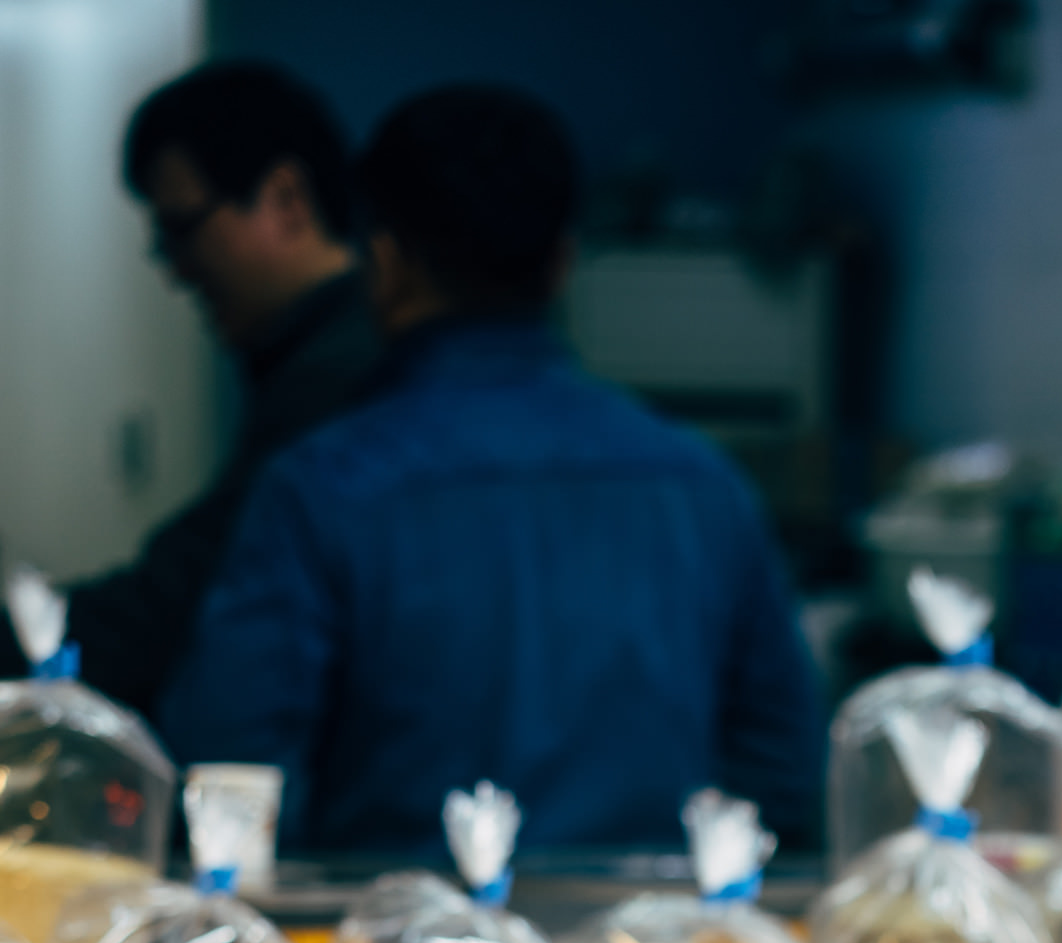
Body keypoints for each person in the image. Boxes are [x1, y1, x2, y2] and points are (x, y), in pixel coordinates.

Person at [161, 84, 824, 856]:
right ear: (564, 264)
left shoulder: (322, 492)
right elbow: (782, 779)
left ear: (385, 262)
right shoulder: (704, 487)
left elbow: (233, 791)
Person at [20, 64, 384, 718]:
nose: (171, 266)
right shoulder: (329, 358)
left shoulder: (335, 381)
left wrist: (36, 648)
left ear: (286, 198)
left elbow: (177, 610)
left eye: (183, 227)